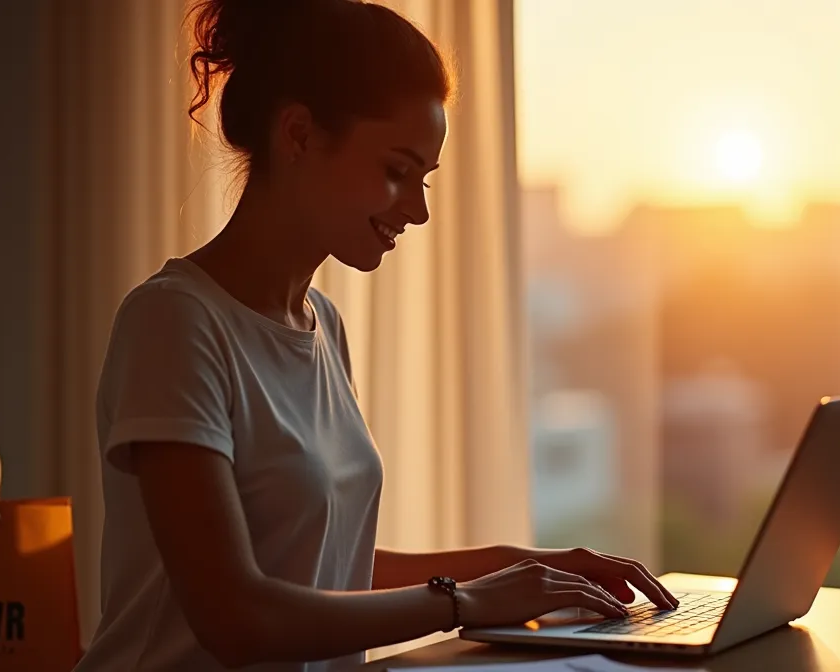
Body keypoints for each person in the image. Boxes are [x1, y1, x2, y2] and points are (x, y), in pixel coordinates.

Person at [73, 1, 677, 670]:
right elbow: (237, 617)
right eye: (396, 170)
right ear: (298, 134)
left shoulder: (321, 324)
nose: (417, 209)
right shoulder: (175, 323)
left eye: (423, 179)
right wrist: (465, 603)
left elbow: (327, 566)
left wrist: (525, 566)